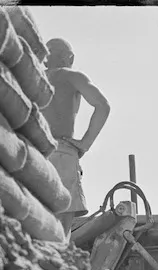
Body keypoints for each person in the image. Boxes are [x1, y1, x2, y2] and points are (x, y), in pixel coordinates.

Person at [43, 38, 111, 237]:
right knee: (61, 234)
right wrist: (84, 144)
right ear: (70, 58)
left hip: (33, 152)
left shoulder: (31, 78)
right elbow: (103, 106)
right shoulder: (73, 77)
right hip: (61, 153)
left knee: (33, 225)